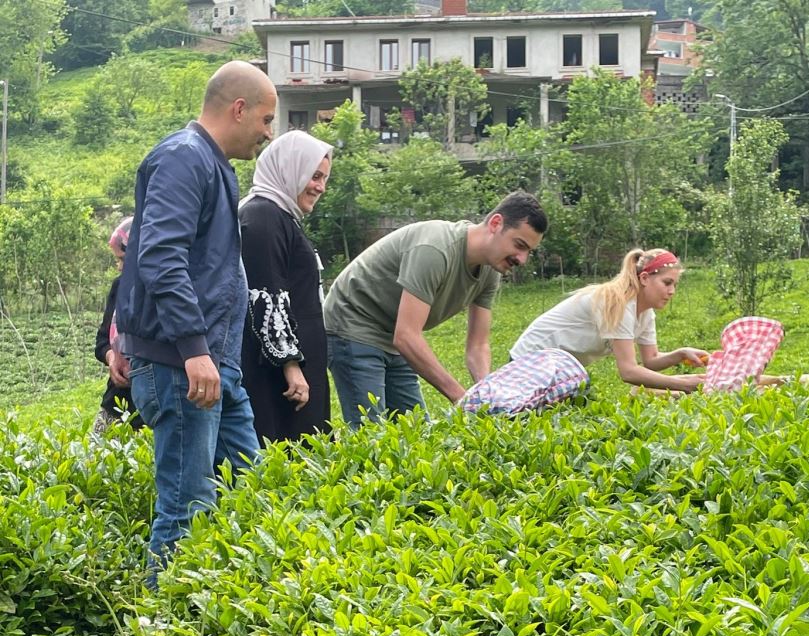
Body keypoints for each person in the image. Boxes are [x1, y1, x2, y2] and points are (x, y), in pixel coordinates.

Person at [115, 61, 277, 581]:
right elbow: (160, 257)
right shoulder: (185, 159)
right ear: (239, 109)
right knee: (187, 508)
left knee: (252, 487)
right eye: (267, 119)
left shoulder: (212, 165)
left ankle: (239, 608)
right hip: (185, 365)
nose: (268, 133)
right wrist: (192, 349)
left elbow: (182, 260)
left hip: (214, 364)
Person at [324, 191, 548, 428]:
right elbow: (407, 336)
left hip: (392, 333)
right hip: (353, 322)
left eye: (528, 251)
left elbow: (478, 345)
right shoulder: (435, 249)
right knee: (370, 434)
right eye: (519, 245)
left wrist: (486, 397)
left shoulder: (490, 270)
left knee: (416, 430)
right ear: (495, 223)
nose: (522, 259)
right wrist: (461, 397)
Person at [239, 129, 333, 443]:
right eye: (315, 175)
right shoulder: (262, 218)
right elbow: (266, 297)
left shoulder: (280, 217)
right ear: (291, 168)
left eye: (324, 178)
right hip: (280, 380)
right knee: (287, 460)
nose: (320, 186)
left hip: (297, 372)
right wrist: (290, 366)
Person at [510, 248, 708, 394]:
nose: (672, 291)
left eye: (675, 284)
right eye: (667, 283)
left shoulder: (645, 311)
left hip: (561, 374)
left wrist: (681, 354)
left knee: (641, 392)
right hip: (528, 366)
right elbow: (629, 372)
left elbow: (651, 360)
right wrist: (682, 384)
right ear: (645, 278)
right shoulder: (617, 302)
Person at [93, 216, 145, 433]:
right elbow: (102, 341)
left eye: (123, 259)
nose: (119, 266)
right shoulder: (119, 286)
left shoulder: (161, 290)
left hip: (149, 404)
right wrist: (112, 357)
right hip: (116, 400)